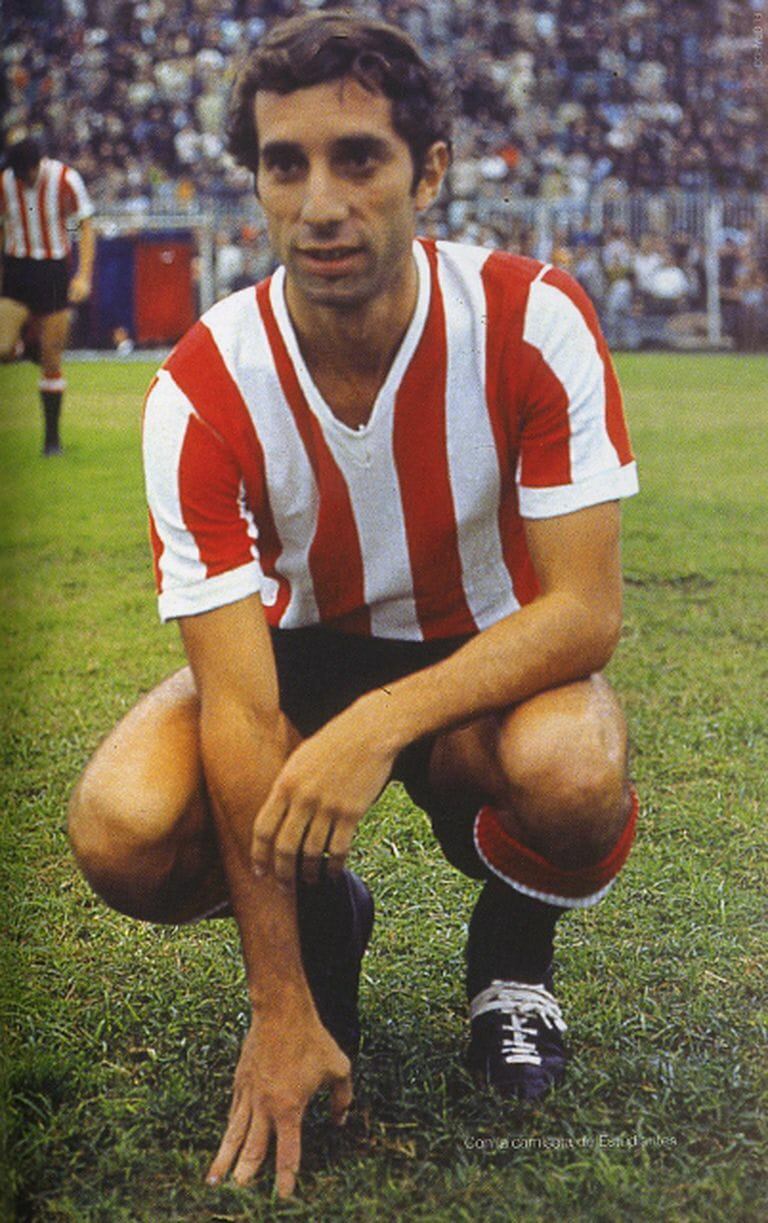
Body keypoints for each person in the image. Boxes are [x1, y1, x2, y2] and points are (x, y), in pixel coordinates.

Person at [67, 12, 640, 1201]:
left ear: (428, 170)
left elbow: (584, 612)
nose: (321, 200)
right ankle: (323, 938)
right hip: (293, 661)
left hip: (486, 656)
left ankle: (512, 964)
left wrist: (376, 726)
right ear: (258, 184)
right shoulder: (204, 384)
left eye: (359, 157)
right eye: (286, 163)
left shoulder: (532, 319)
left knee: (576, 768)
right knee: (121, 827)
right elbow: (237, 702)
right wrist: (274, 1003)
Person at [0, 136, 95, 455]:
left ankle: (51, 441)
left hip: (53, 270)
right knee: (2, 346)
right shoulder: (5, 183)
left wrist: (83, 275)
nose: (21, 178)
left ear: (37, 165)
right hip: (17, 269)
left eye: (25, 171)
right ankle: (26, 348)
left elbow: (85, 225)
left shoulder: (65, 178)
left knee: (52, 357)